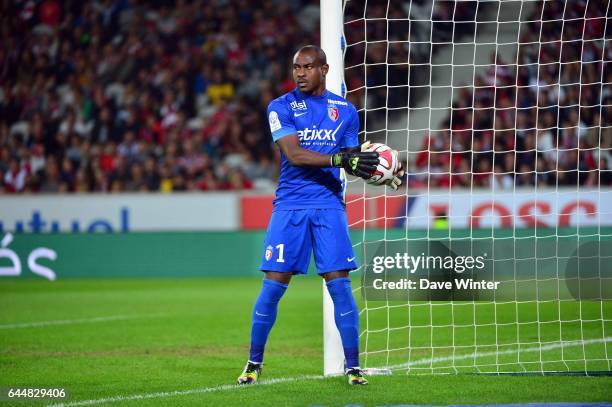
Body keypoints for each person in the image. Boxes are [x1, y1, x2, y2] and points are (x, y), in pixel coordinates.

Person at [236, 45, 403, 386]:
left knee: (340, 288)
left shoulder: (345, 110)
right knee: (272, 289)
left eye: (308, 67)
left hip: (329, 206)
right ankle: (253, 363)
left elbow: (352, 159)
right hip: (290, 206)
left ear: (324, 70)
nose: (300, 72)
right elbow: (295, 155)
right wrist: (343, 161)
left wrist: (385, 171)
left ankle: (353, 366)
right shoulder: (280, 107)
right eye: (296, 66)